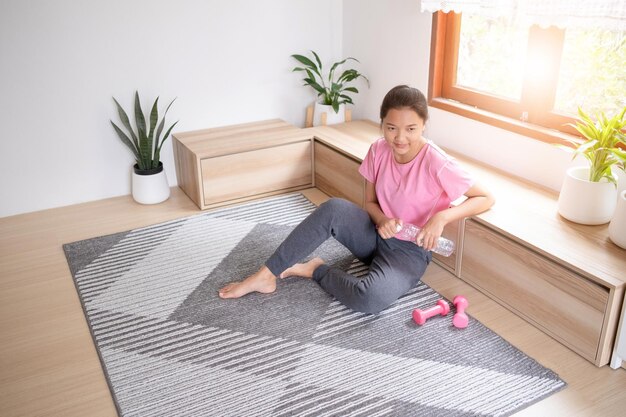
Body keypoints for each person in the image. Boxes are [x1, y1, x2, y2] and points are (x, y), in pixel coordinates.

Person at [218, 85, 495, 314]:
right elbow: (370, 203)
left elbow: (485, 197)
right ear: (382, 124)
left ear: (423, 125)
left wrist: (441, 217)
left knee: (369, 299)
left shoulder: (437, 162)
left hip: (409, 251)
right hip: (374, 235)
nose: (400, 138)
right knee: (334, 208)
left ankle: (316, 269)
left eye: (411, 129)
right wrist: (383, 220)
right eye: (391, 128)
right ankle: (266, 275)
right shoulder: (378, 149)